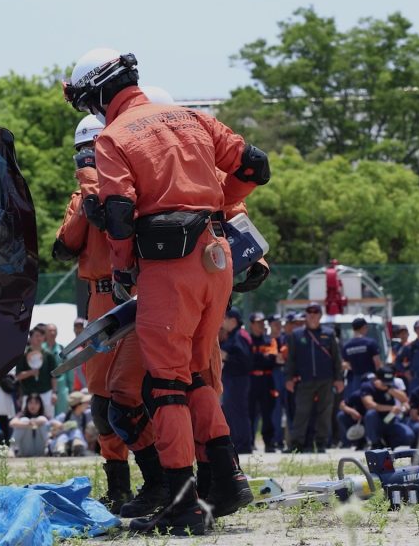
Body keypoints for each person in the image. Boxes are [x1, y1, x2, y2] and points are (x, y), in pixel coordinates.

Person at [64, 48, 266, 534]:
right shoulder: (194, 117)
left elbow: (118, 213)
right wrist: (215, 207)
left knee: (165, 385)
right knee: (196, 376)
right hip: (216, 259)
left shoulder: (114, 137)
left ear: (98, 94)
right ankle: (226, 481)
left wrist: (124, 270)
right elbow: (255, 166)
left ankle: (182, 503)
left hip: (167, 267)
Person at [52, 114, 140, 513]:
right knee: (102, 401)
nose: (89, 158)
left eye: (94, 149)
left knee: (145, 394)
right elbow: (64, 245)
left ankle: (166, 481)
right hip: (100, 299)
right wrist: (88, 194)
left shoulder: (136, 189)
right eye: (84, 152)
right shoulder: (81, 199)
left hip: (133, 294)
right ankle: (119, 486)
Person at [285, 303, 343, 452]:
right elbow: (291, 359)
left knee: (325, 412)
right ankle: (296, 444)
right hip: (305, 379)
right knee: (301, 412)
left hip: (326, 379)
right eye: (309, 312)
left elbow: (337, 358)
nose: (312, 315)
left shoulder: (329, 333)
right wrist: (289, 378)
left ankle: (321, 443)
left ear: (320, 315)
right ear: (306, 315)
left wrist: (339, 378)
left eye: (315, 312)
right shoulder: (296, 334)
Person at [220, 309, 253, 454]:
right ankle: (237, 442)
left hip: (238, 380)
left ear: (233, 320)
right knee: (231, 411)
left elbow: (246, 362)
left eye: (224, 318)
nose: (222, 321)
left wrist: (226, 357)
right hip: (231, 379)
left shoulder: (239, 336)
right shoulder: (233, 336)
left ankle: (243, 444)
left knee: (238, 411)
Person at [359, 365, 413, 449]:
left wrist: (389, 390)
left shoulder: (391, 386)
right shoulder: (367, 386)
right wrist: (391, 408)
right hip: (375, 421)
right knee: (371, 414)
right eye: (384, 381)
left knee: (408, 436)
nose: (386, 383)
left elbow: (404, 399)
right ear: (377, 378)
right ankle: (375, 443)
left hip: (389, 419)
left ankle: (389, 443)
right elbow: (369, 405)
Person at [248, 312, 280, 452]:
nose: (261, 325)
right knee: (250, 412)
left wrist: (257, 357)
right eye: (258, 322)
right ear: (251, 324)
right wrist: (262, 357)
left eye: (262, 322)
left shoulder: (270, 340)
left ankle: (269, 442)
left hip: (267, 380)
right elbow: (248, 360)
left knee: (268, 412)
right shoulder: (247, 340)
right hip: (251, 379)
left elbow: (272, 360)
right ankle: (249, 442)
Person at [15, 325, 58, 418]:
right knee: (26, 419)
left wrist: (54, 393)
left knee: (48, 420)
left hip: (46, 393)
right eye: (37, 336)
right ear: (30, 338)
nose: (39, 338)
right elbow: (18, 376)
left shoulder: (49, 355)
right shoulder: (23, 355)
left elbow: (53, 376)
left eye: (42, 336)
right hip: (28, 394)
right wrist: (31, 372)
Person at [342, 317, 382, 399]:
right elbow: (377, 363)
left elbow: (344, 364)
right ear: (364, 327)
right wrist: (380, 378)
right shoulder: (370, 343)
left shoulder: (347, 346)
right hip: (370, 377)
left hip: (355, 379)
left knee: (357, 400)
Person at [50, 391, 93, 457]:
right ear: (78, 405)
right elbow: (50, 424)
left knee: (76, 432)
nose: (87, 404)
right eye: (85, 403)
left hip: (79, 441)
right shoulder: (64, 416)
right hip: (62, 442)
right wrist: (58, 425)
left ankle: (77, 447)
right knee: (63, 436)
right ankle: (60, 451)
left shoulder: (86, 415)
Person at [269, 314, 289, 452]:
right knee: (275, 410)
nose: (278, 325)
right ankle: (276, 439)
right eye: (275, 323)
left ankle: (289, 440)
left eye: (279, 323)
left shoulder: (285, 338)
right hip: (273, 375)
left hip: (285, 374)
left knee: (289, 408)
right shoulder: (267, 340)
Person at [43, 324, 73, 416]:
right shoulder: (40, 349)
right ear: (45, 333)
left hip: (61, 389)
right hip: (44, 388)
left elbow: (69, 370)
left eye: (54, 331)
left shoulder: (62, 349)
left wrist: (71, 390)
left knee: (62, 415)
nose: (52, 333)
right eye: (50, 331)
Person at [10, 393, 51, 457]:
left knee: (42, 419)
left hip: (40, 449)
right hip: (25, 449)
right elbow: (12, 423)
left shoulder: (44, 415)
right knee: (24, 420)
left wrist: (34, 422)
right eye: (30, 403)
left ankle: (49, 447)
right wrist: (27, 424)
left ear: (40, 405)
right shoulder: (22, 414)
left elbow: (46, 421)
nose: (33, 406)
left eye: (36, 403)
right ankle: (11, 449)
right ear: (27, 404)